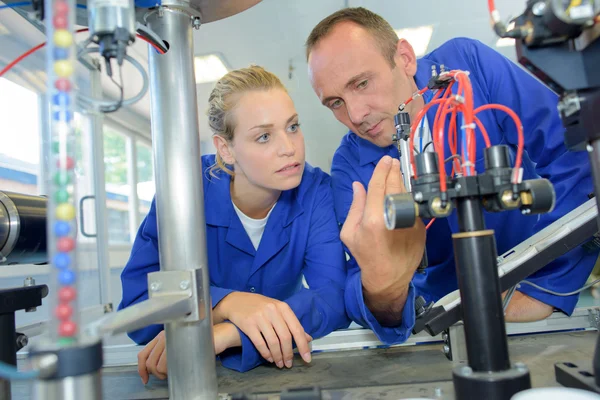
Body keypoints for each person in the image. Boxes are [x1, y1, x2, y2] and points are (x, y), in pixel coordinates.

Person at [305, 7, 597, 344]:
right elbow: (363, 287)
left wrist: (545, 288)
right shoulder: (349, 166)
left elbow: (573, 152)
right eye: (335, 102)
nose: (355, 115)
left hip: (532, 303)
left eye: (362, 83)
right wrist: (386, 290)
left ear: (404, 58)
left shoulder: (468, 68)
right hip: (445, 323)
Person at [119, 65, 350, 380]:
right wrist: (226, 303)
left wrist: (228, 331)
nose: (289, 148)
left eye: (293, 126)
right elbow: (138, 308)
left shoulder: (316, 191)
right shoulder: (183, 191)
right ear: (225, 148)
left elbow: (333, 297)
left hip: (278, 372)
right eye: (264, 136)